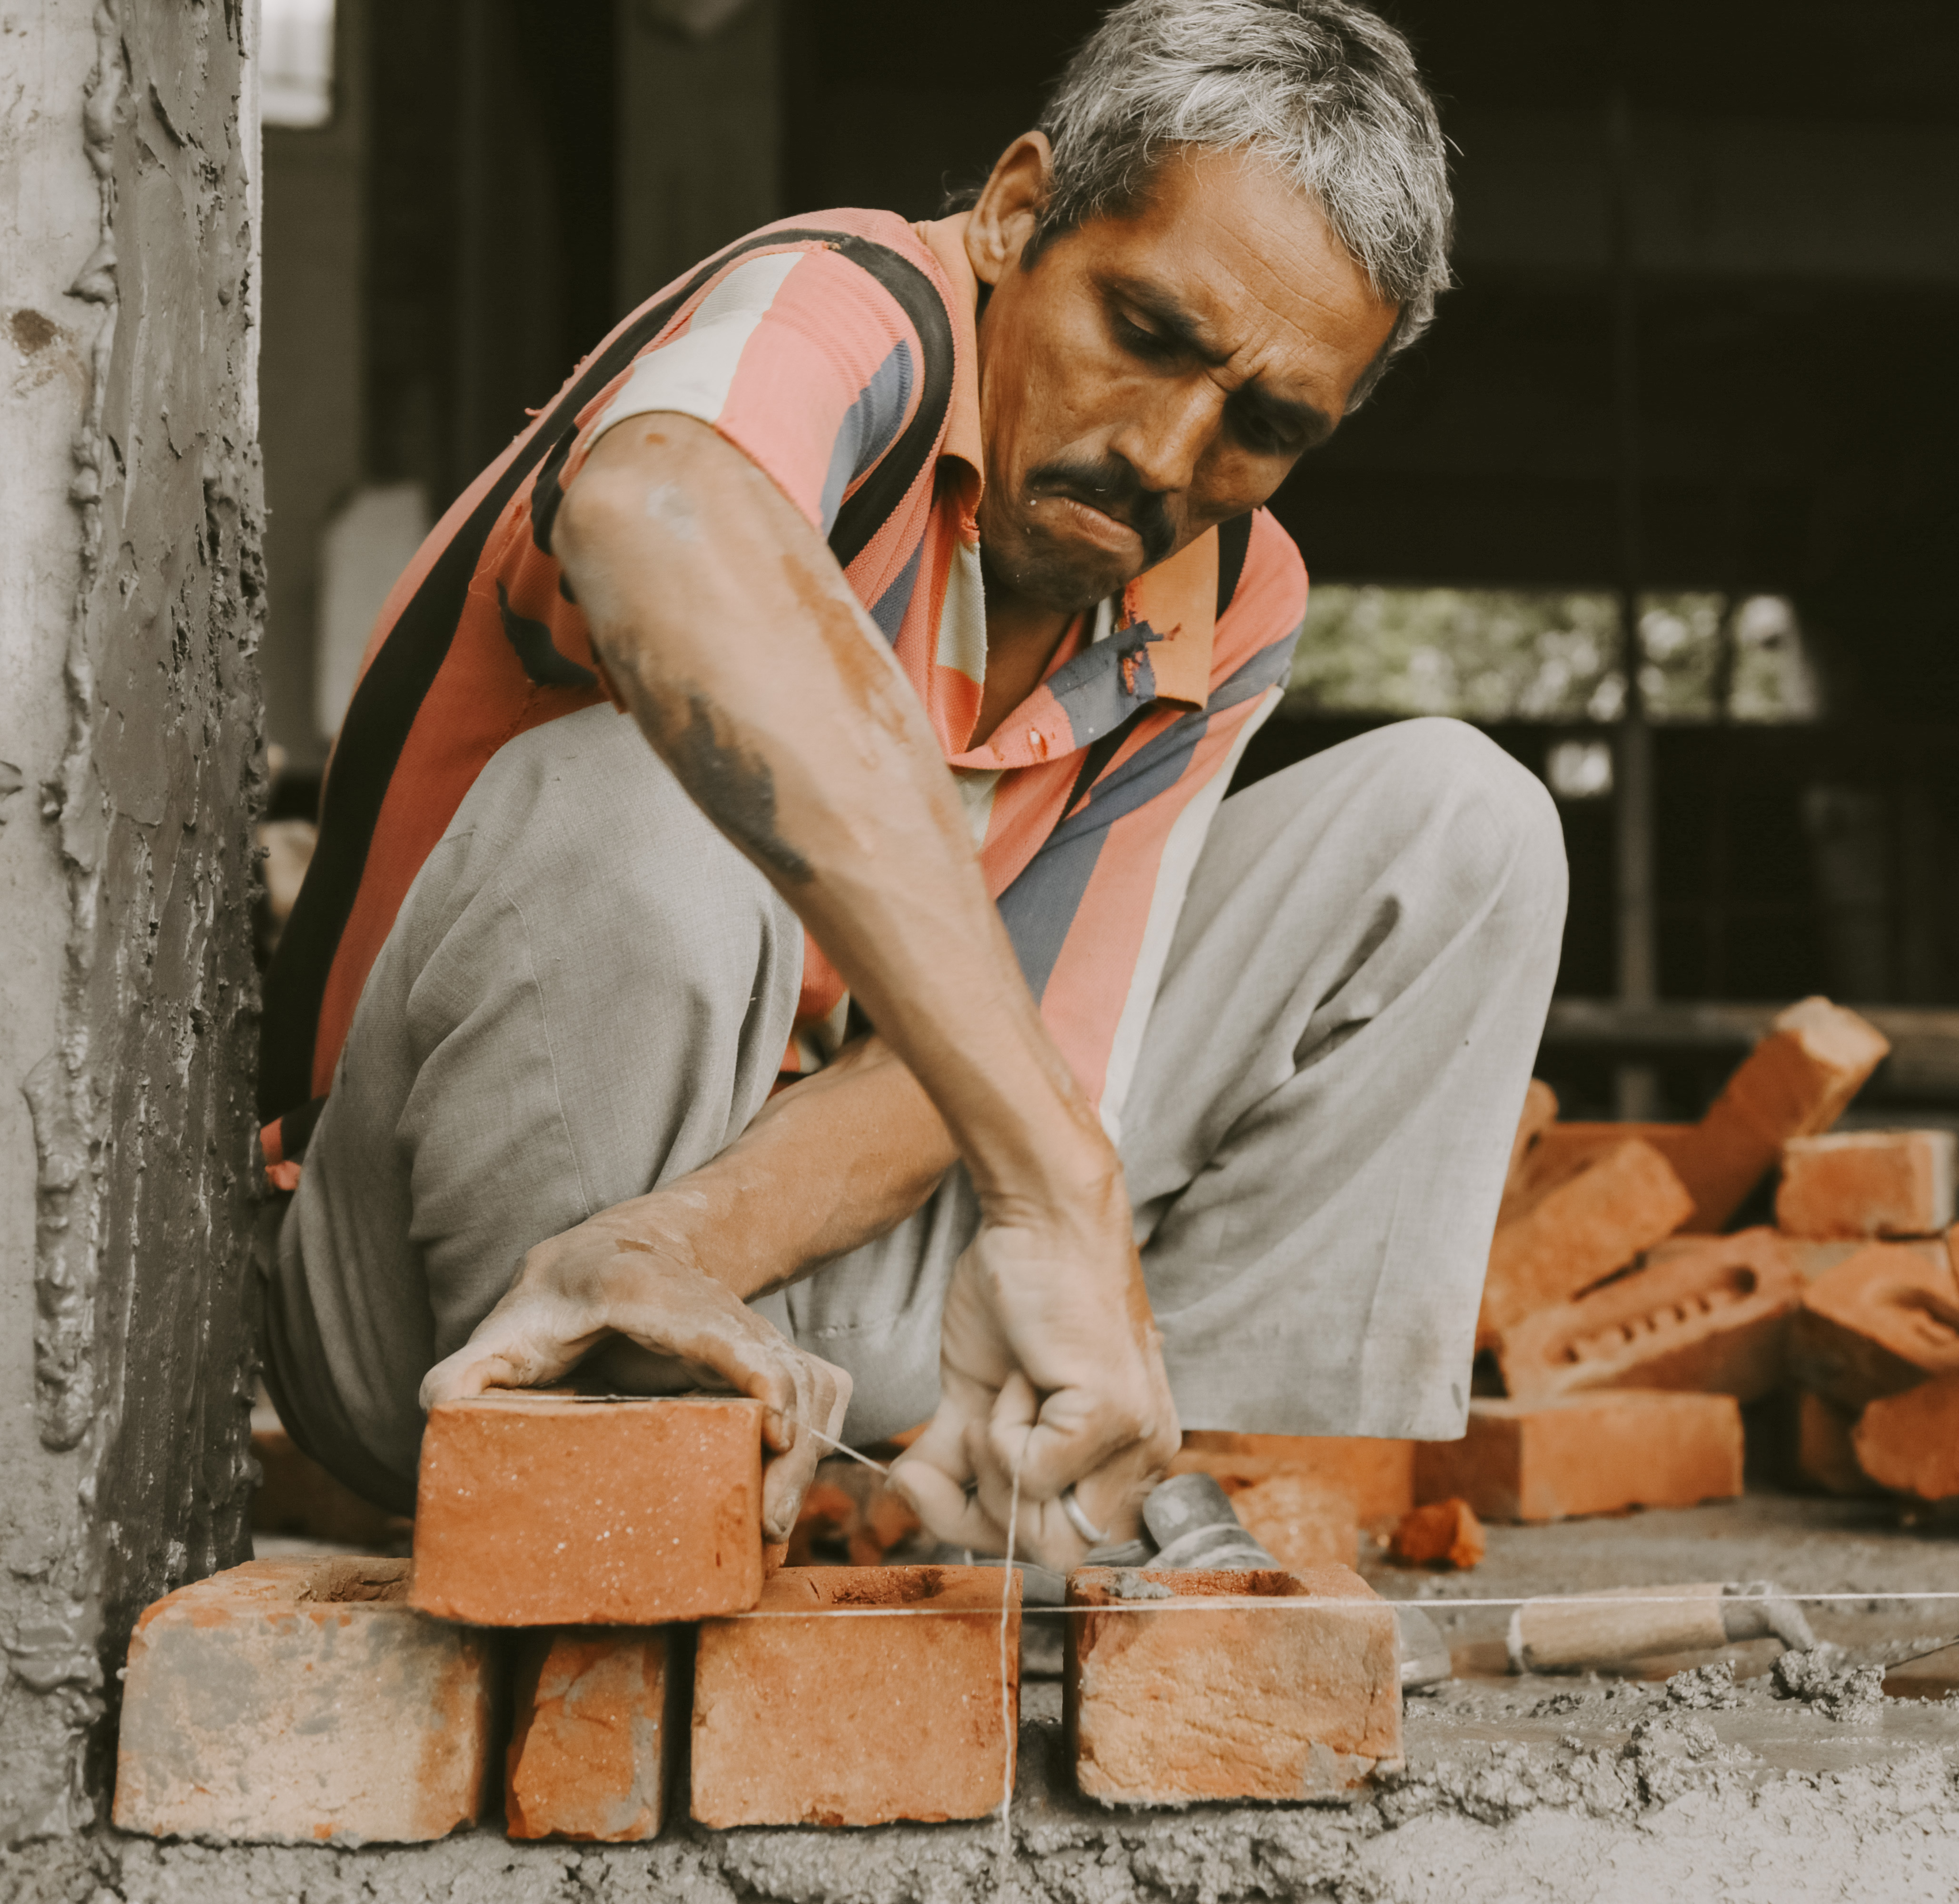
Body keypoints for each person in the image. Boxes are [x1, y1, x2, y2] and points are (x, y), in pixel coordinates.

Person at [255, 0, 1564, 1573]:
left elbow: (1029, 1042)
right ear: (1019, 211)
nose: (1164, 456)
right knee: (647, 783)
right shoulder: (849, 309)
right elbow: (657, 520)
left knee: (1459, 823)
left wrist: (689, 1244)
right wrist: (1060, 1182)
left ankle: (1104, 1486)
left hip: (763, 1288)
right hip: (423, 1285)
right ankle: (595, 1493)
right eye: (1146, 333)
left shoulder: (1223, 594)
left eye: (1267, 428)